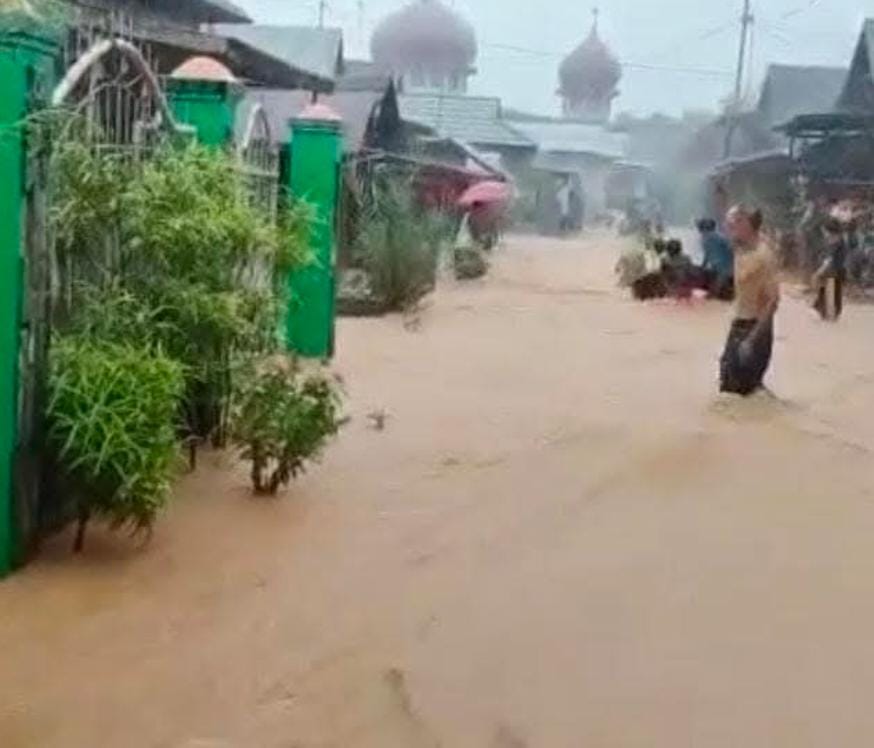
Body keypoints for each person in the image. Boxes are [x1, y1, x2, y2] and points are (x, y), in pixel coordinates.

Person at [719, 205, 780, 396]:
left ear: (745, 224)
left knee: (741, 392)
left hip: (753, 328)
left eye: (732, 223)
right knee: (731, 389)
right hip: (739, 324)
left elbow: (773, 300)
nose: (727, 228)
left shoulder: (763, 255)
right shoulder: (741, 248)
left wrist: (752, 339)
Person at [812, 218, 847, 321]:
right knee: (832, 291)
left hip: (833, 271)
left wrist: (820, 271)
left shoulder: (835, 242)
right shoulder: (838, 240)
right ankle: (830, 313)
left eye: (824, 231)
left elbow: (829, 259)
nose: (824, 233)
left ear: (829, 230)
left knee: (829, 291)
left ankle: (829, 313)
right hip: (837, 270)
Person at [696, 218, 734, 300]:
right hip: (723, 267)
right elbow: (731, 249)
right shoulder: (719, 237)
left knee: (714, 292)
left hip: (723, 268)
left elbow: (708, 255)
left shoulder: (707, 238)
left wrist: (702, 267)